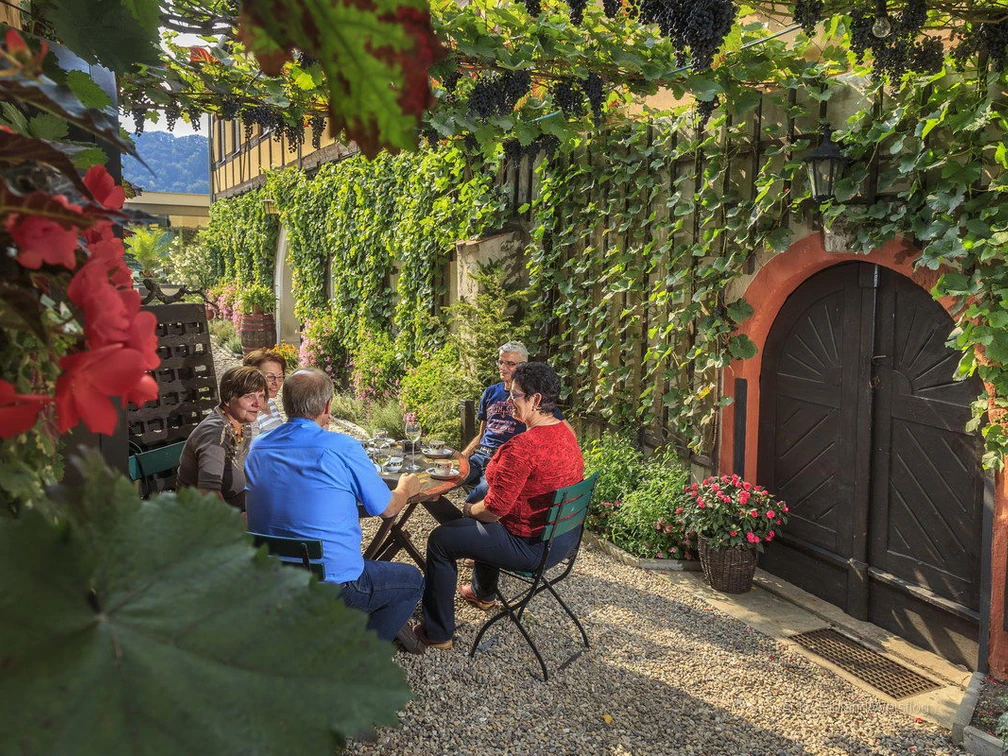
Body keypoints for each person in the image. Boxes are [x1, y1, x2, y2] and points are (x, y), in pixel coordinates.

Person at [244, 368, 426, 652]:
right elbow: (387, 509)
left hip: (273, 581)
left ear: (285, 403)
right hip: (333, 587)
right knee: (412, 581)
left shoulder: (258, 448)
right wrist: (405, 488)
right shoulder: (342, 447)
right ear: (327, 406)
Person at [415, 362, 584, 649]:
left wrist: (469, 510)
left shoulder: (523, 447)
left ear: (536, 400)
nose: (508, 401)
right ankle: (483, 593)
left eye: (515, 395)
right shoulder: (565, 434)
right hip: (561, 540)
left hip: (530, 547)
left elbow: (494, 511)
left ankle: (438, 632)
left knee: (442, 540)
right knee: (472, 512)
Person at [460, 341, 571, 504]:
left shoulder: (530, 399)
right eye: (501, 362)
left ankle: (465, 517)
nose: (503, 367)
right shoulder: (490, 392)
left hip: (505, 461)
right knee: (443, 478)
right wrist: (462, 456)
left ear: (523, 367)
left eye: (510, 363)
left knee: (475, 499)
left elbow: (567, 433)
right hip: (481, 456)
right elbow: (482, 434)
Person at [177, 365, 266, 512]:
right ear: (227, 399)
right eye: (249, 396)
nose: (258, 404)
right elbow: (207, 494)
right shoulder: (215, 434)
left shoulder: (243, 424)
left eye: (261, 396)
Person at [242, 348, 287, 434]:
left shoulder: (271, 403)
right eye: (270, 377)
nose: (276, 382)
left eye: (280, 376)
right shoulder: (249, 412)